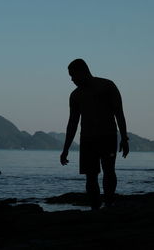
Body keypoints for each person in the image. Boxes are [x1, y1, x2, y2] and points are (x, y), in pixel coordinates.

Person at [60, 59, 129, 210]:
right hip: (87, 139)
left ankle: (109, 203)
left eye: (73, 75)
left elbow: (119, 113)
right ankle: (95, 207)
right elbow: (72, 123)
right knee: (91, 176)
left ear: (82, 71)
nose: (72, 80)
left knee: (109, 170)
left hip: (108, 136)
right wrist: (65, 149)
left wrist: (124, 137)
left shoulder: (107, 86)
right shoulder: (76, 95)